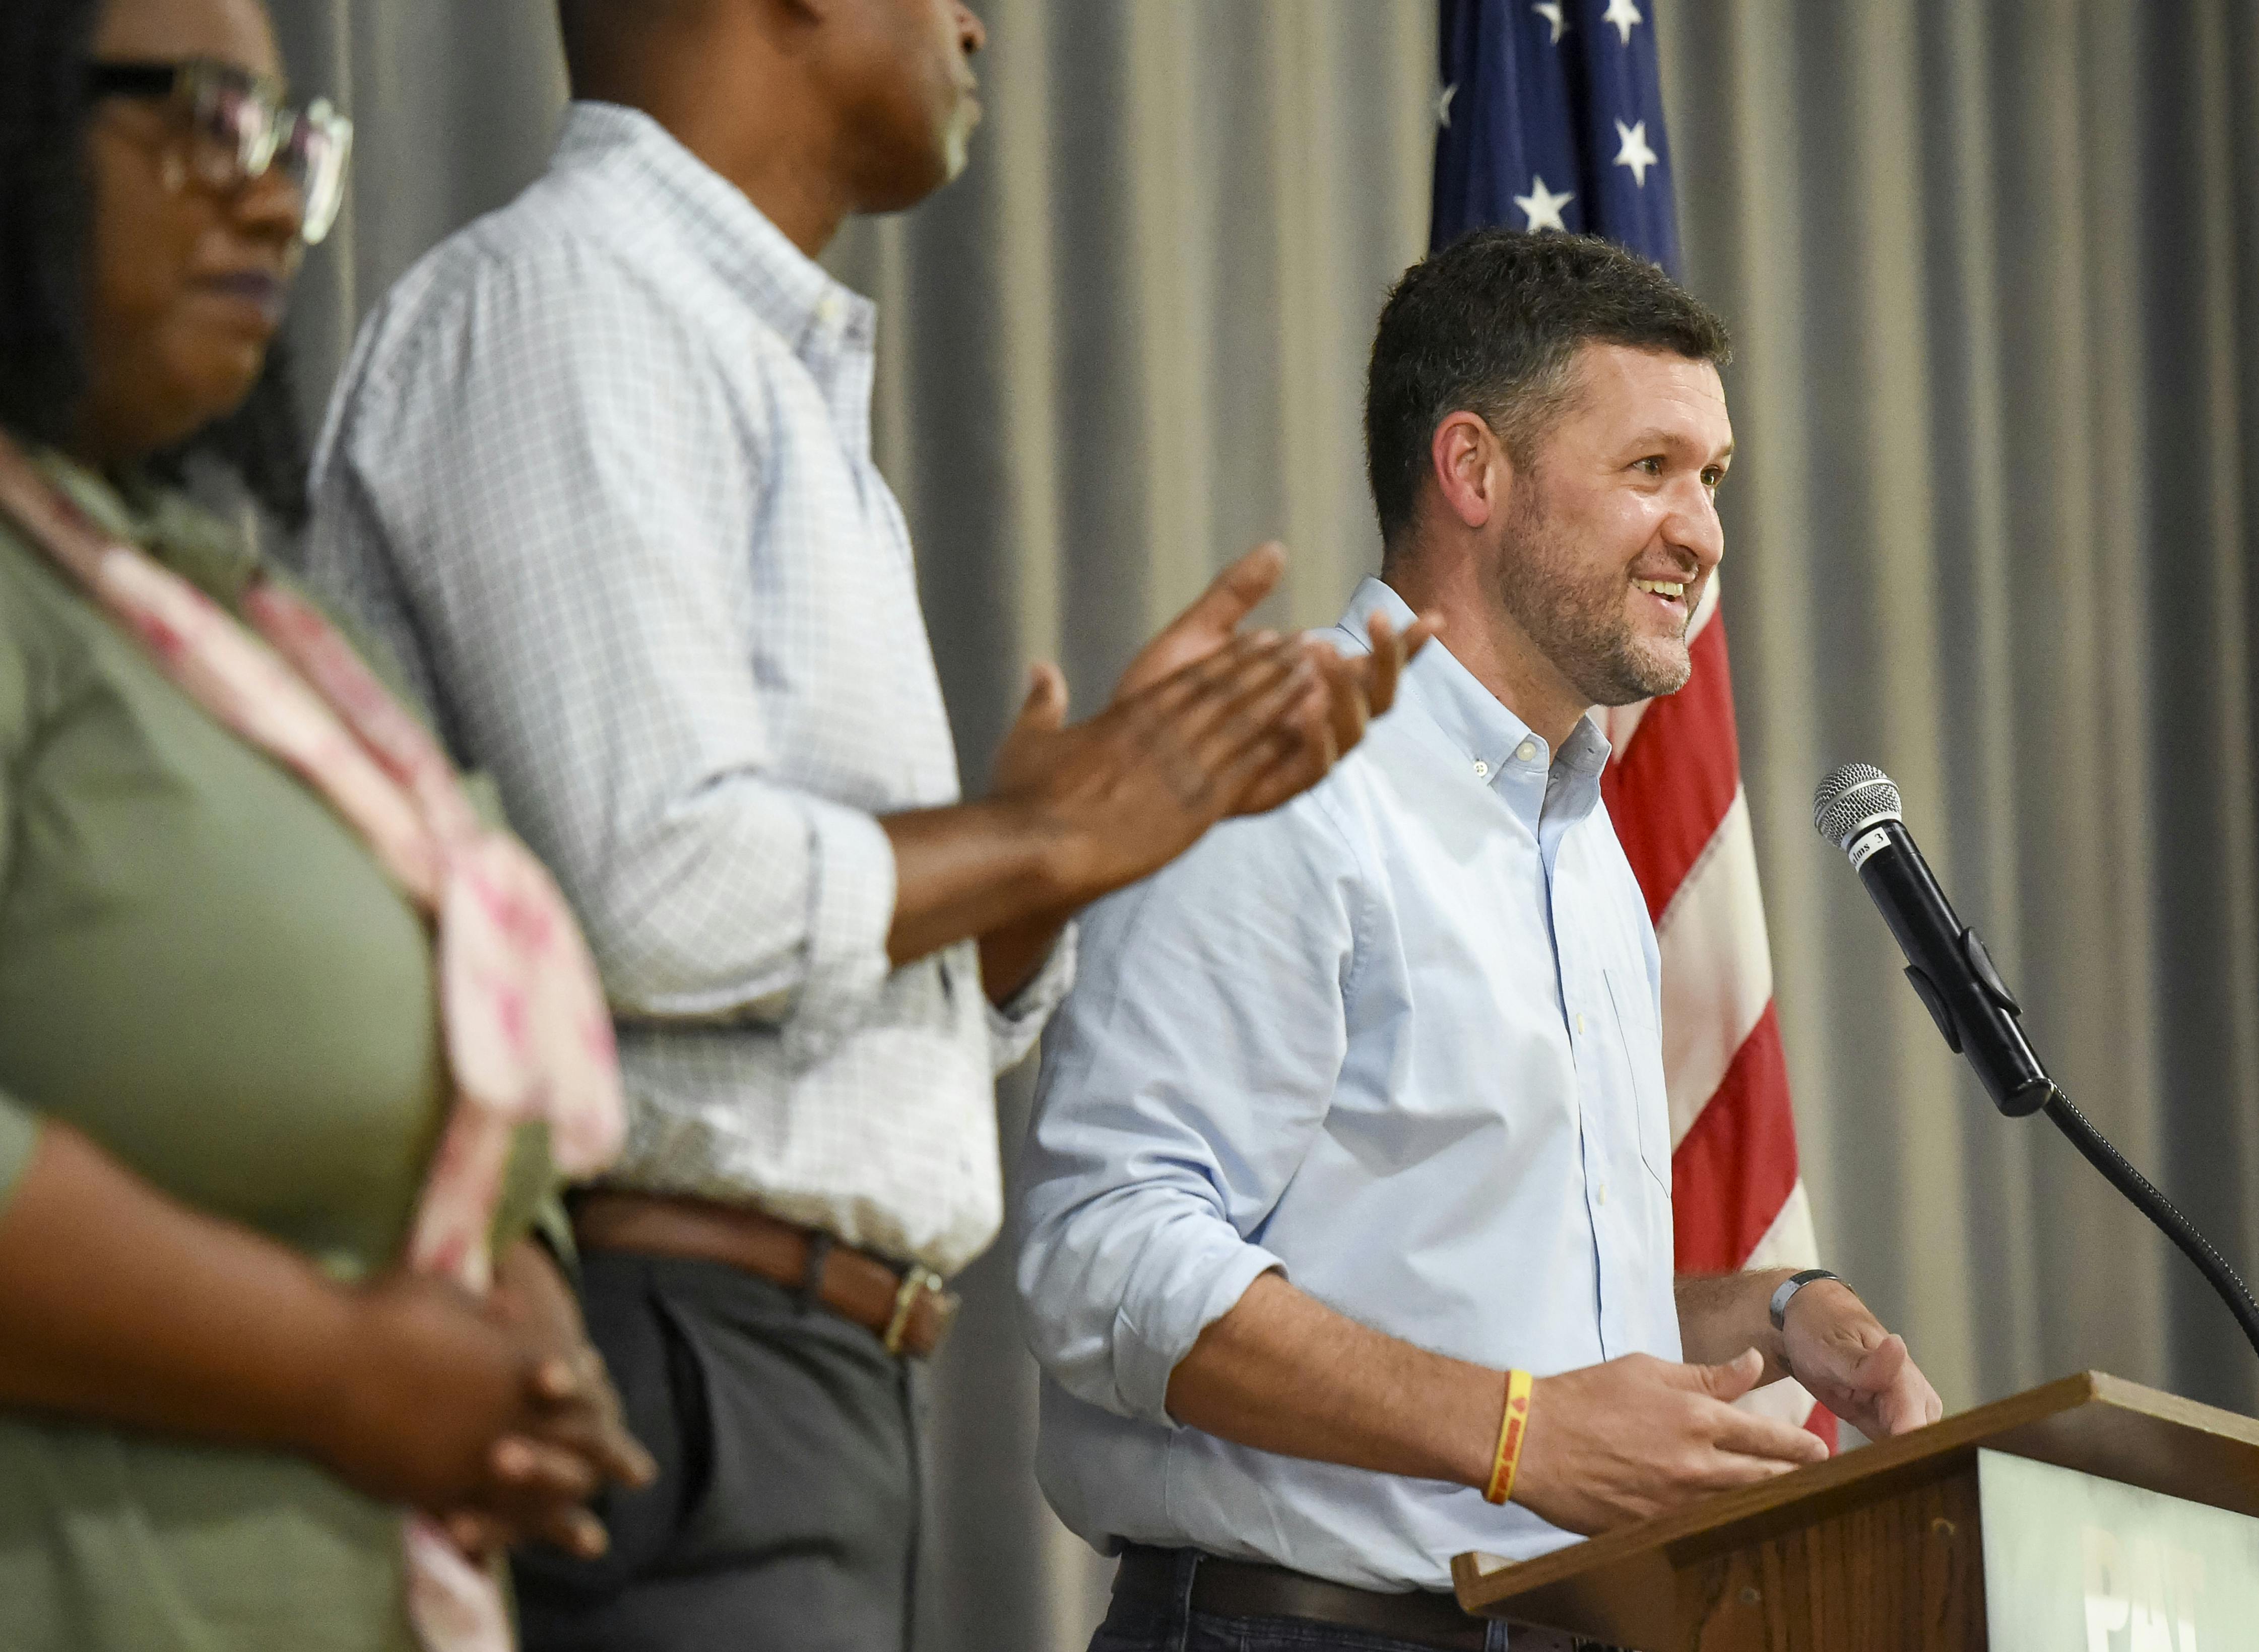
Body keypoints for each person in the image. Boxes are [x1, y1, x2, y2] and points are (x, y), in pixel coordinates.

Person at [303, 2, 1431, 1647]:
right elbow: (660, 896)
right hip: (651, 1354)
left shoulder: (754, 367)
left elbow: (809, 1003)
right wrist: (1046, 842)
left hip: (809, 1382)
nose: (976, 23)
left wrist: (1044, 870)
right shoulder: (569, 303)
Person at [1015, 228, 1947, 1652]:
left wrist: (1764, 1317)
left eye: (1714, 479)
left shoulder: (1583, 844)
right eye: (1651, 471)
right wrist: (1517, 1437)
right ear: (1473, 471)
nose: (1702, 532)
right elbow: (1103, 1255)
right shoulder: (1288, 772)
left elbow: (1467, 1297)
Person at [0, 1, 653, 1649]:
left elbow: (482, 1083)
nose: (276, 198)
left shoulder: (258, 626)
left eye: (299, 144)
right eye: (209, 122)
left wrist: (524, 1330)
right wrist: (341, 1367)